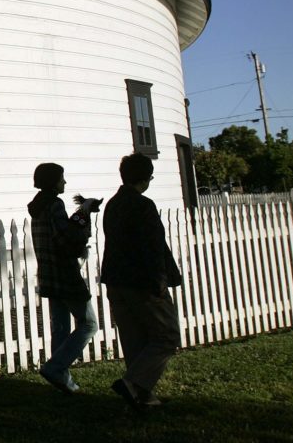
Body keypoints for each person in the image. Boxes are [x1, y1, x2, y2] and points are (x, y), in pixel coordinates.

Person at [101, 152, 183, 410]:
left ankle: (141, 396)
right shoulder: (143, 205)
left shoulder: (112, 205)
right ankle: (134, 383)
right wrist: (160, 279)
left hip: (116, 280)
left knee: (135, 339)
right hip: (141, 281)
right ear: (146, 178)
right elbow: (153, 246)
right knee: (166, 335)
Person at [27, 162, 99, 394]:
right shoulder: (55, 204)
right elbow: (65, 237)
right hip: (64, 273)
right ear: (53, 181)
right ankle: (55, 368)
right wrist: (84, 216)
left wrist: (81, 213)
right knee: (89, 324)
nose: (64, 182)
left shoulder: (38, 206)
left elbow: (60, 229)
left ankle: (63, 381)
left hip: (48, 274)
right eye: (61, 178)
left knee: (60, 329)